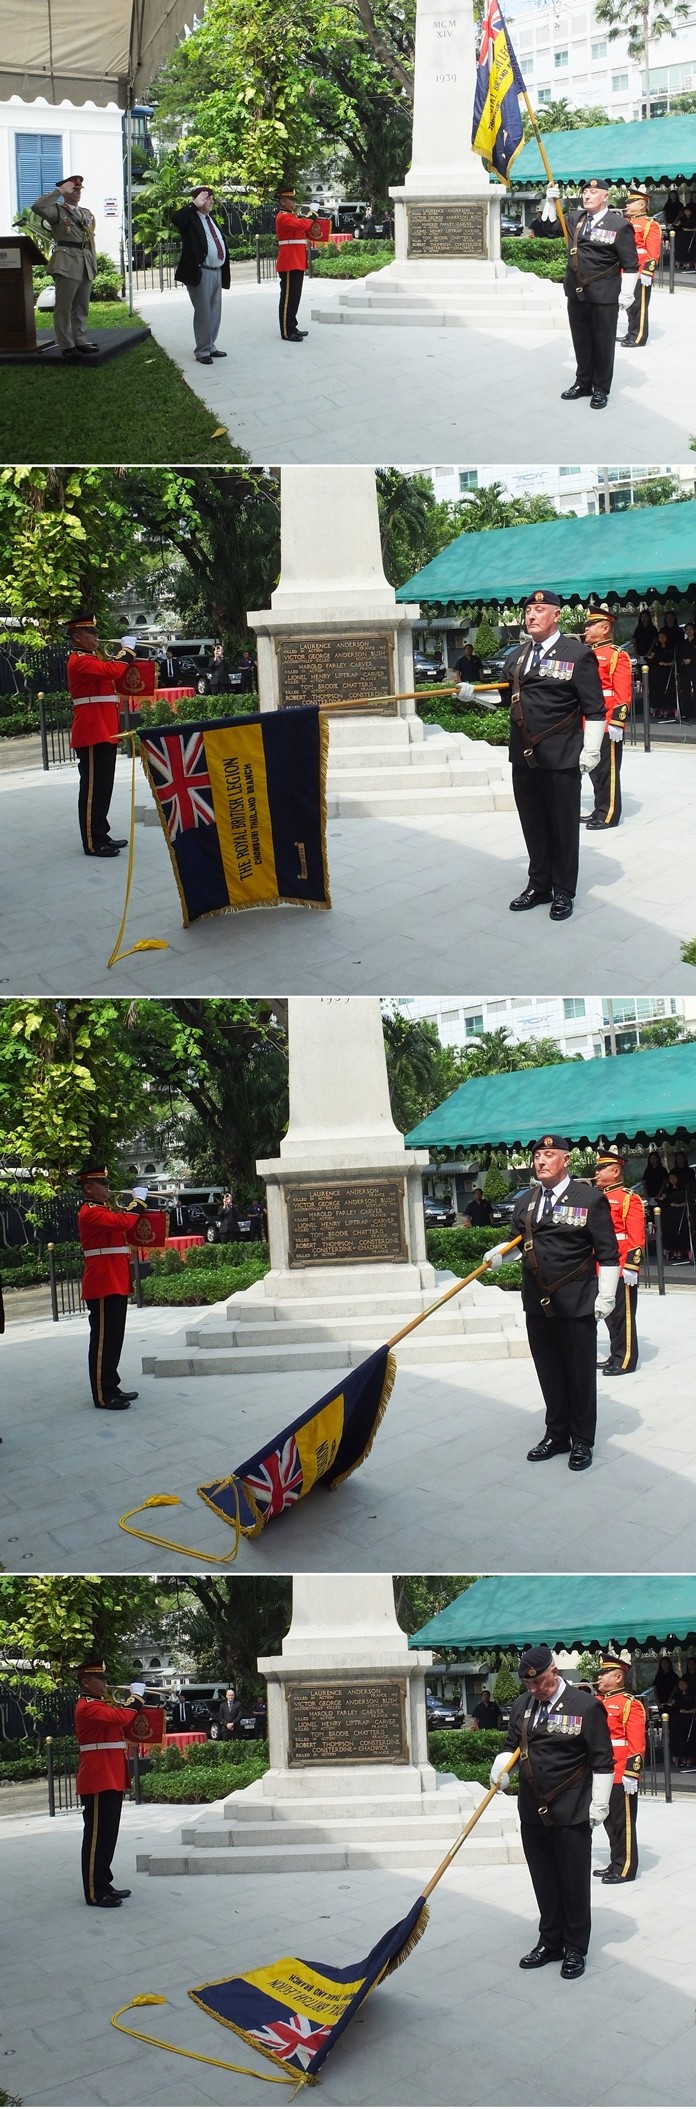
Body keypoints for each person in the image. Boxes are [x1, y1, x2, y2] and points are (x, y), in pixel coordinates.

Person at [485, 1135, 619, 1471]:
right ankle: (556, 1435)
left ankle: (582, 1441)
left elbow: (608, 1252)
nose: (541, 1161)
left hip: (576, 1301)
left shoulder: (589, 1198)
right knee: (549, 1371)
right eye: (537, 1157)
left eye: (548, 1155)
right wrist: (501, 1254)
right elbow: (521, 1242)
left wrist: (607, 1294)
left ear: (565, 1160)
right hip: (537, 1302)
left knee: (580, 1373)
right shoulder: (526, 1201)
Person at [490, 1643, 614, 1978]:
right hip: (532, 1808)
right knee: (543, 1878)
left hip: (572, 1808)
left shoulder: (585, 1706)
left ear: (554, 1672)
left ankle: (575, 1948)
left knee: (573, 1881)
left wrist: (599, 1804)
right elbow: (511, 1745)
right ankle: (550, 1941)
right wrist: (501, 1766)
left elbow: (603, 1760)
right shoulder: (522, 1705)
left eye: (540, 1682)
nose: (535, 1689)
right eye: (529, 1684)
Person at [498, 588, 605, 921]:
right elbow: (504, 699)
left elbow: (595, 708)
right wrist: (472, 695)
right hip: (524, 756)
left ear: (556, 615)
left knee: (562, 825)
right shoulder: (516, 655)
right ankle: (538, 884)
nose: (532, 615)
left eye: (540, 609)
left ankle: (563, 891)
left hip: (561, 756)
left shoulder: (576, 654)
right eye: (529, 609)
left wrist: (592, 750)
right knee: (532, 822)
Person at [75, 1660, 153, 1906]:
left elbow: (121, 1719)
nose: (105, 1683)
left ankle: (104, 1883)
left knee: (108, 1835)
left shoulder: (100, 1703)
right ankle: (94, 1892)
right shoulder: (87, 1706)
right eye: (100, 1679)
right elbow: (121, 1718)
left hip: (110, 1773)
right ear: (86, 1682)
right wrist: (136, 1698)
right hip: (98, 1776)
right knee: (96, 1836)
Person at [78, 1165, 156, 1411]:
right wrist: (138, 1202)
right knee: (102, 1341)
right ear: (88, 1188)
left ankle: (111, 1385)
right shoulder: (89, 1212)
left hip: (114, 1278)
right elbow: (124, 1222)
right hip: (102, 1281)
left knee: (114, 1338)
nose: (106, 1188)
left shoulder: (102, 1209)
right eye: (101, 1184)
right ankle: (102, 1395)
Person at [66, 615, 140, 858]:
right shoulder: (78, 661)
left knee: (103, 787)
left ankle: (101, 833)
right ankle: (92, 842)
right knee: (92, 790)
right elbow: (113, 670)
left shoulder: (92, 658)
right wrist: (127, 650)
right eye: (91, 633)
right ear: (77, 637)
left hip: (105, 729)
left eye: (96, 633)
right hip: (91, 730)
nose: (96, 637)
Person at [561, 176, 638, 409]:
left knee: (603, 343)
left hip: (604, 294)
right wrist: (548, 202)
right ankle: (583, 382)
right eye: (585, 192)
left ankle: (601, 388)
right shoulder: (576, 218)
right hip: (576, 292)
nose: (587, 195)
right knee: (581, 340)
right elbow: (548, 227)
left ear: (605, 196)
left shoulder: (619, 225)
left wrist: (626, 294)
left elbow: (631, 264)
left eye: (593, 193)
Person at [31, 173, 98, 360]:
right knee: (64, 307)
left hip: (85, 263)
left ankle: (80, 340)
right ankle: (66, 343)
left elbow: (90, 241)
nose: (77, 193)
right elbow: (37, 206)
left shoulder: (86, 213)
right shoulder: (56, 211)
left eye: (78, 190)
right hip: (66, 263)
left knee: (81, 306)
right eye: (73, 189)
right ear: (66, 191)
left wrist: (93, 263)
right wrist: (58, 191)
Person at [594, 1652, 645, 1882]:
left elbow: (637, 1742)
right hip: (601, 1771)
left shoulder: (629, 1705)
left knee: (622, 1822)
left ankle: (626, 1868)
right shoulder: (598, 1702)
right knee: (608, 1820)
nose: (600, 1677)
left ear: (618, 1677)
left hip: (620, 1772)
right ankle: (616, 1861)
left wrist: (632, 1773)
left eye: (605, 1673)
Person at [594, 1145, 645, 1375]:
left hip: (621, 1264)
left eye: (601, 1169)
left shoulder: (628, 1199)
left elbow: (636, 1235)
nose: (596, 1173)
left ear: (615, 1171)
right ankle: (615, 1354)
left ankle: (625, 1360)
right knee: (609, 1314)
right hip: (602, 1265)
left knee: (623, 1315)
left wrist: (632, 1265)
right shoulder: (599, 1198)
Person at [583, 601, 632, 829]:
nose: (586, 629)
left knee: (607, 770)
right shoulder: (586, 654)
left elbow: (622, 691)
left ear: (604, 628)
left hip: (606, 720)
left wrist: (617, 721)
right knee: (593, 769)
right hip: (588, 720)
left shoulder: (616, 655)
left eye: (591, 625)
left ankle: (609, 814)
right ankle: (598, 808)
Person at [171, 187, 230, 364]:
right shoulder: (191, 219)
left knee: (214, 311)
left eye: (212, 198)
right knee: (204, 312)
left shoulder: (210, 220)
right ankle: (202, 351)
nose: (212, 201)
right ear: (199, 200)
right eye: (208, 198)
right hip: (201, 271)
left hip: (216, 271)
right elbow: (176, 219)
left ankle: (210, 345)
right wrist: (194, 205)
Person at [275, 187, 325, 341]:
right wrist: (313, 214)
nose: (294, 202)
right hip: (289, 260)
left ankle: (292, 325)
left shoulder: (291, 215)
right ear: (283, 201)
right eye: (291, 200)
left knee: (295, 296)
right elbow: (303, 225)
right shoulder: (283, 217)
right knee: (288, 296)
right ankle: (286, 331)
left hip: (296, 259)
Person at [620, 187, 662, 347]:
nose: (627, 205)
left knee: (639, 305)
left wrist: (647, 271)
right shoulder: (626, 222)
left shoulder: (649, 224)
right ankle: (631, 332)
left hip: (639, 270)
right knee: (629, 304)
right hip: (625, 269)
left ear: (642, 205)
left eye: (631, 202)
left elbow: (653, 251)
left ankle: (638, 337)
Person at [647, 627, 679, 720]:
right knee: (658, 691)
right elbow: (651, 658)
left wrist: (666, 664)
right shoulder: (656, 648)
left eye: (663, 636)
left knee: (668, 691)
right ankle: (660, 711)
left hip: (668, 672)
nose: (661, 638)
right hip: (658, 673)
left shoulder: (672, 648)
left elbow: (675, 661)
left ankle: (667, 711)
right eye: (660, 637)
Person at [678, 621, 696, 721]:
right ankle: (685, 712)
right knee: (685, 690)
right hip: (685, 669)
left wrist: (691, 660)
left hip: (694, 668)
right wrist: (683, 661)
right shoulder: (682, 643)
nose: (689, 631)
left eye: (691, 629)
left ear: (694, 631)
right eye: (687, 629)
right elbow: (679, 655)